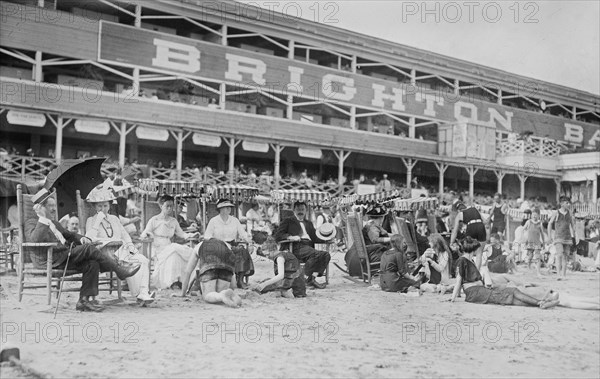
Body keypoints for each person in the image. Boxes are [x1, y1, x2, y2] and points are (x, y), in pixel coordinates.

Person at [25, 188, 141, 312]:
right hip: (49, 259)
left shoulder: (55, 223)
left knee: (92, 263)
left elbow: (70, 235)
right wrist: (42, 219)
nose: (54, 209)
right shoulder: (31, 223)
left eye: (54, 206)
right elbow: (34, 241)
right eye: (50, 206)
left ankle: (84, 301)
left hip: (64, 257)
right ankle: (119, 269)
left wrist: (83, 239)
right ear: (40, 208)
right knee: (89, 249)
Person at [84, 188, 155, 305]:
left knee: (143, 260)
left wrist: (131, 248)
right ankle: (139, 293)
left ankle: (143, 292)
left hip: (120, 251)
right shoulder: (91, 220)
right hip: (104, 254)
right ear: (95, 207)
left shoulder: (114, 219)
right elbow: (89, 238)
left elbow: (125, 236)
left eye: (105, 206)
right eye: (99, 206)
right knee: (130, 261)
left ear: (109, 206)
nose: (103, 209)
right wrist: (98, 222)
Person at [449, 237, 558, 308]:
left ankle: (541, 303)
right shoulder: (462, 260)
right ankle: (540, 302)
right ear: (472, 249)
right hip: (475, 292)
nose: (479, 251)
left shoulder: (468, 260)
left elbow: (462, 281)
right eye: (477, 249)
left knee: (510, 297)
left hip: (479, 290)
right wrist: (453, 298)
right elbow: (459, 280)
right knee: (512, 292)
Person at [140, 195, 197, 290]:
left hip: (168, 246)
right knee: (175, 250)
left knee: (175, 254)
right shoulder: (154, 220)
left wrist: (191, 235)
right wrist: (148, 235)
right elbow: (145, 233)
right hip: (156, 247)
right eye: (167, 206)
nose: (170, 208)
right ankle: (171, 282)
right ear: (161, 206)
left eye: (171, 206)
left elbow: (182, 234)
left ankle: (178, 281)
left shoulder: (173, 221)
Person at [275, 201, 331, 289]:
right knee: (317, 255)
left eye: (302, 209)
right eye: (298, 209)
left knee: (326, 255)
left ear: (306, 211)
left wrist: (326, 239)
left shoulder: (309, 223)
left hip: (308, 247)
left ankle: (311, 278)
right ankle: (306, 279)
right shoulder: (288, 221)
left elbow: (315, 237)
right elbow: (278, 236)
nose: (300, 212)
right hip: (295, 246)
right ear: (293, 210)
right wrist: (290, 237)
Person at [204, 199, 254, 288]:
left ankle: (240, 280)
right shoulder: (213, 221)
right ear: (220, 209)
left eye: (230, 207)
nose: (229, 209)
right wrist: (216, 241)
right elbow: (207, 236)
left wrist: (250, 242)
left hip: (232, 245)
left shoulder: (235, 220)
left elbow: (243, 234)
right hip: (218, 246)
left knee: (242, 251)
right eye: (226, 207)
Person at [180, 238, 241, 307]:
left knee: (208, 295)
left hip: (209, 260)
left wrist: (183, 293)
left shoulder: (198, 246)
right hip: (227, 264)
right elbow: (232, 273)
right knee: (220, 293)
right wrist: (231, 288)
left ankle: (221, 295)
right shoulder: (225, 245)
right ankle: (234, 299)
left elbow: (187, 272)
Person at [548, 196, 578, 280]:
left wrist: (575, 235)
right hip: (558, 237)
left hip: (567, 237)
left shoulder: (570, 213)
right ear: (561, 203)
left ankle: (564, 275)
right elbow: (550, 223)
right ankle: (558, 274)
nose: (568, 204)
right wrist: (549, 236)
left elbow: (572, 224)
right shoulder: (556, 213)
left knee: (565, 256)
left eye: (569, 203)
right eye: (566, 203)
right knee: (559, 254)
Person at [450, 202, 486, 270]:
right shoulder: (474, 209)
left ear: (458, 210)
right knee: (479, 252)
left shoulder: (460, 214)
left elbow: (455, 231)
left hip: (471, 227)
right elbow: (485, 221)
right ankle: (477, 272)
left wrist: (451, 242)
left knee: (468, 252)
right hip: (481, 226)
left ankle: (468, 271)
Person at [523, 207, 545, 277]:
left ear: (539, 215)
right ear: (531, 215)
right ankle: (528, 267)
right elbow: (523, 229)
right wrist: (524, 239)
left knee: (538, 257)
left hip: (537, 242)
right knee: (530, 256)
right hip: (530, 242)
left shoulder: (540, 223)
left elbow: (542, 234)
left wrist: (543, 242)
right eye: (533, 215)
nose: (534, 216)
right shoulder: (528, 222)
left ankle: (538, 272)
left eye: (536, 215)